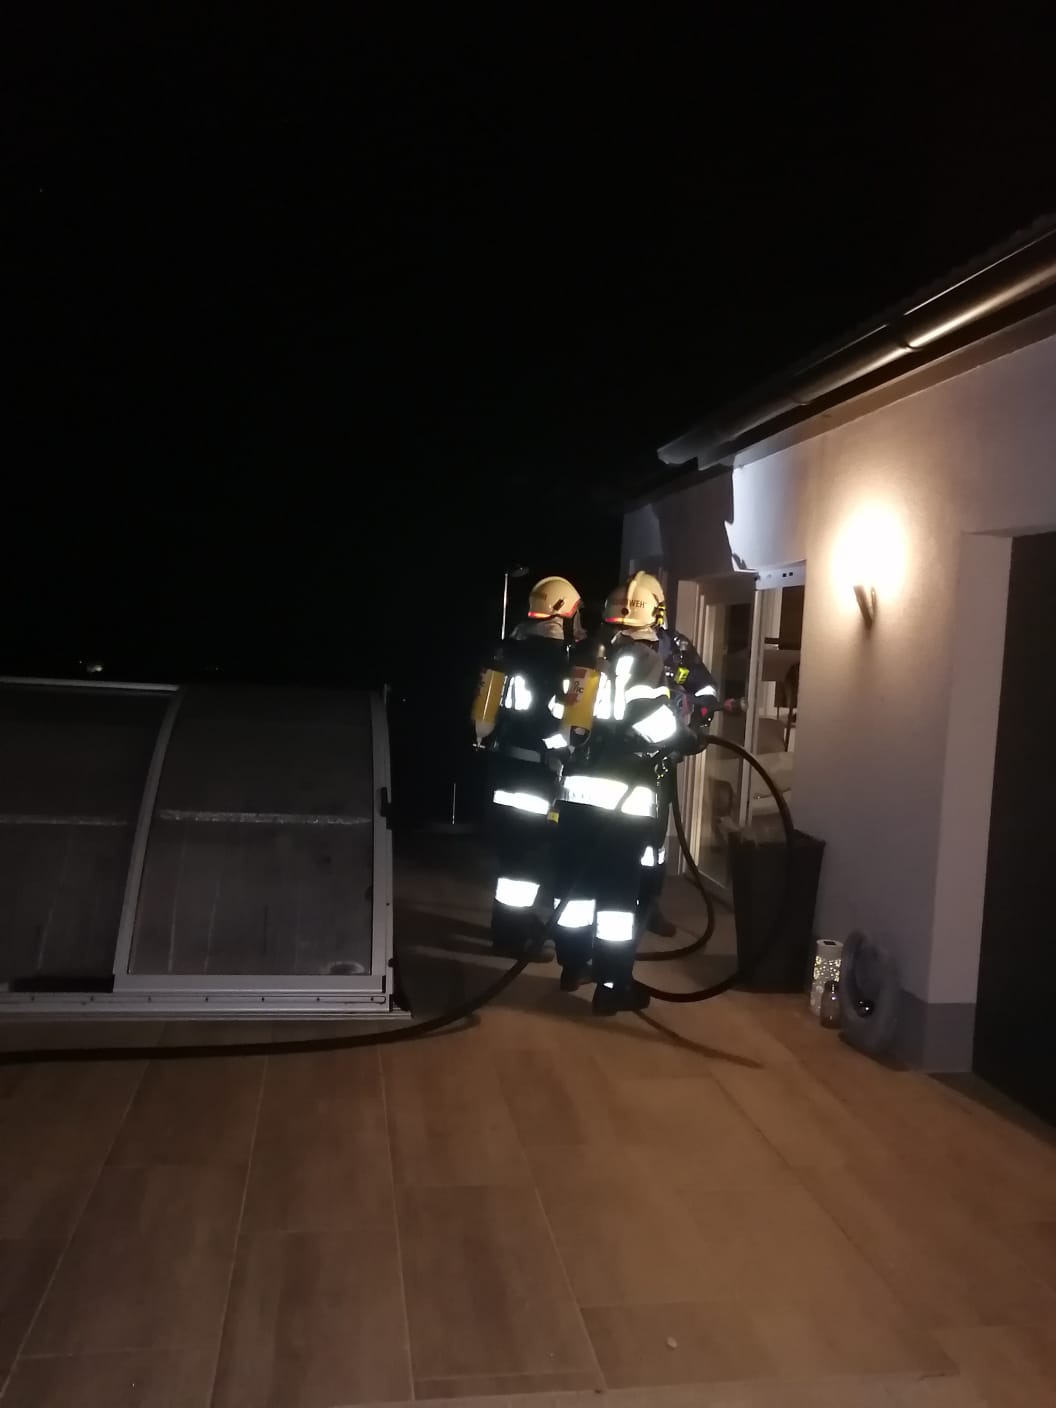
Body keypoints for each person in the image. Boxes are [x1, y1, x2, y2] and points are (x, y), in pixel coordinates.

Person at [553, 595, 700, 1013]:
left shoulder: (585, 655)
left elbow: (560, 715)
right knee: (618, 898)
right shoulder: (643, 658)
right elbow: (648, 717)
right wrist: (685, 738)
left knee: (576, 887)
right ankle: (612, 986)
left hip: (576, 793)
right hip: (622, 797)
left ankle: (573, 966)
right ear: (652, 618)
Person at [603, 571, 720, 937]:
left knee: (652, 843)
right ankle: (611, 904)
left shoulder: (676, 648)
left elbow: (707, 689)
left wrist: (693, 722)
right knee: (609, 836)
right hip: (613, 761)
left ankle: (647, 903)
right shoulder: (605, 648)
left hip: (658, 761)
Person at [476, 575, 583, 957]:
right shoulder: (556, 661)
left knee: (512, 856)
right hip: (533, 775)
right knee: (524, 864)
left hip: (505, 766)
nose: (579, 624)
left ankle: (508, 924)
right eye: (576, 616)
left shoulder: (509, 650)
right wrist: (567, 750)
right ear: (562, 615)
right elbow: (556, 725)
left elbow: (485, 718)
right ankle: (511, 938)